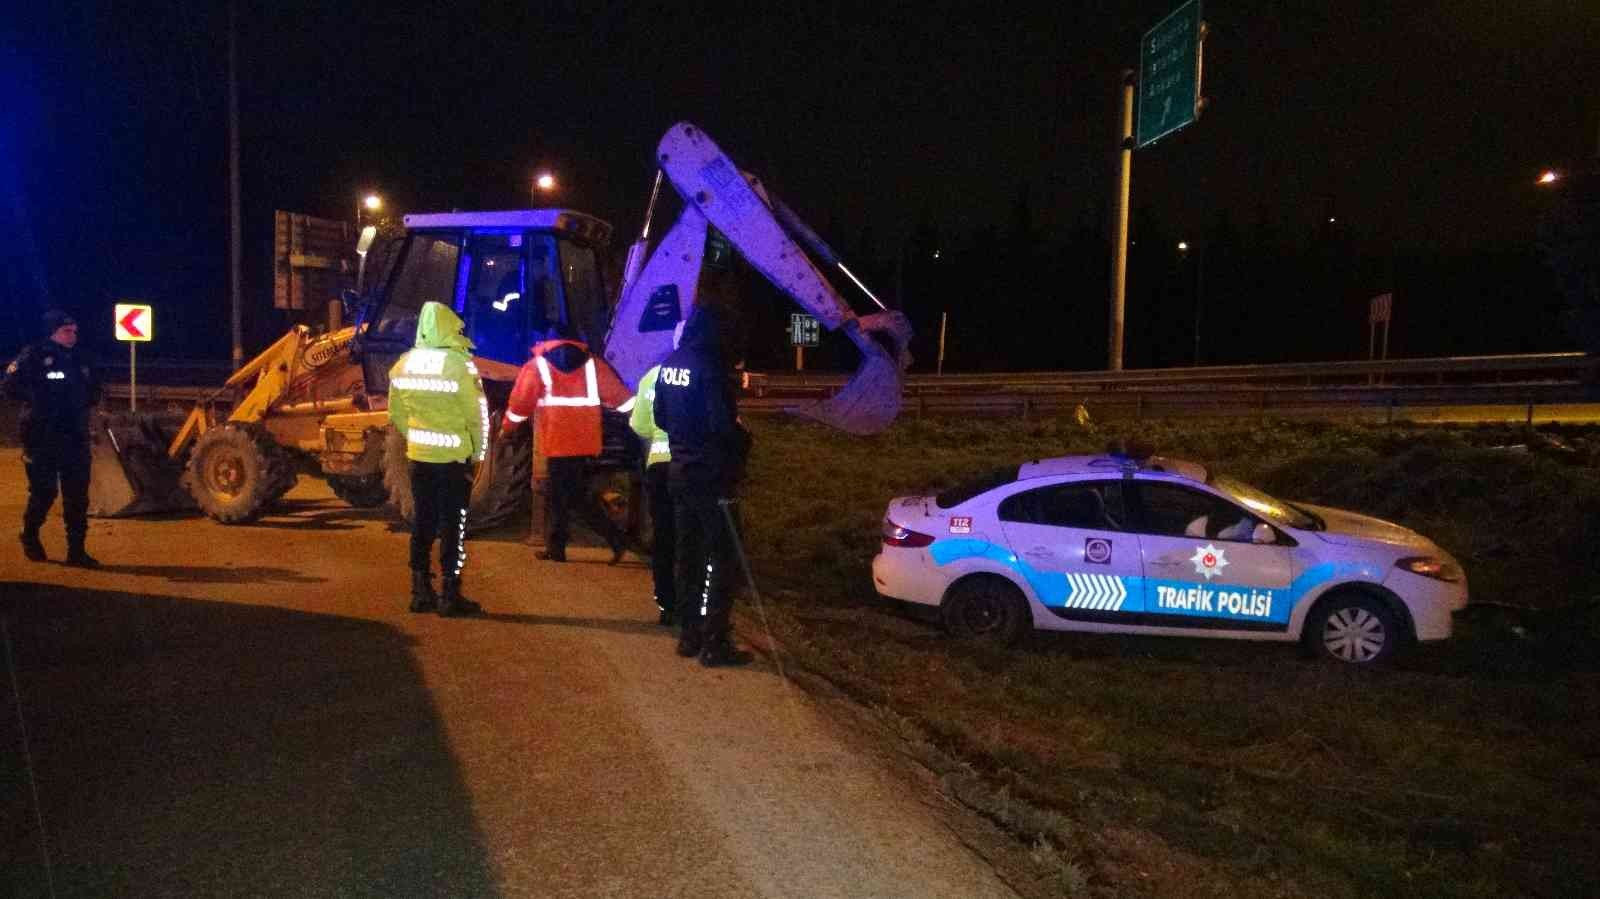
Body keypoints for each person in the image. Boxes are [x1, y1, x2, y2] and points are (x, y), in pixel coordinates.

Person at [653, 304, 753, 667]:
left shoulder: (670, 364)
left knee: (688, 556)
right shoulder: (710, 368)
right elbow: (723, 426)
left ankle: (689, 635)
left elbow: (660, 417)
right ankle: (715, 642)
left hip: (679, 473)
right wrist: (742, 441)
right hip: (712, 478)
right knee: (723, 558)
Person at [387, 301, 490, 617]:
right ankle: (449, 593)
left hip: (419, 458)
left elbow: (396, 414)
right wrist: (478, 453)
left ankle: (420, 591)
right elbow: (477, 417)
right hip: (454, 461)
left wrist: (418, 437)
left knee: (423, 521)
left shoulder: (402, 365)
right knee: (452, 525)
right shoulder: (460, 366)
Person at [502, 330, 632, 563]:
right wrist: (639, 420)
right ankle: (560, 547)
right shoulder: (593, 364)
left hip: (557, 440)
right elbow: (621, 399)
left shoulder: (538, 366)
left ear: (547, 342)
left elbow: (521, 403)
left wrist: (507, 428)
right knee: (566, 495)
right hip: (584, 441)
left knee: (567, 497)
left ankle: (612, 539)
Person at [4, 310, 101, 566]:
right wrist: (37, 401)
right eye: (66, 331)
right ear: (52, 332)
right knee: (44, 492)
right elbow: (9, 386)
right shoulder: (34, 355)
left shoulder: (82, 358)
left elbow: (95, 388)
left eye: (74, 331)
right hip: (42, 436)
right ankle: (30, 534)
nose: (73, 335)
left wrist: (84, 404)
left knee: (77, 497)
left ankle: (76, 551)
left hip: (75, 436)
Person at [628, 321, 685, 626]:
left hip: (658, 467)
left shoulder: (651, 377)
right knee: (691, 537)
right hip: (690, 466)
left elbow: (638, 426)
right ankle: (692, 606)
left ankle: (666, 604)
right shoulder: (703, 372)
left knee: (664, 537)